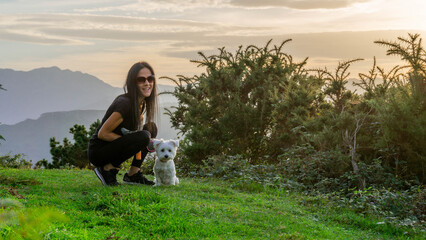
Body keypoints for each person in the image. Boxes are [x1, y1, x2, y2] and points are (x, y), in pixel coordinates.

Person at [88, 61, 158, 186]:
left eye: (150, 79)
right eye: (141, 79)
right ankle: (107, 170)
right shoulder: (125, 103)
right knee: (143, 137)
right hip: (99, 152)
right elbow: (103, 134)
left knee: (150, 128)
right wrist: (131, 142)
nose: (147, 83)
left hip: (112, 147)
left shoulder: (140, 104)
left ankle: (133, 174)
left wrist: (135, 142)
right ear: (133, 83)